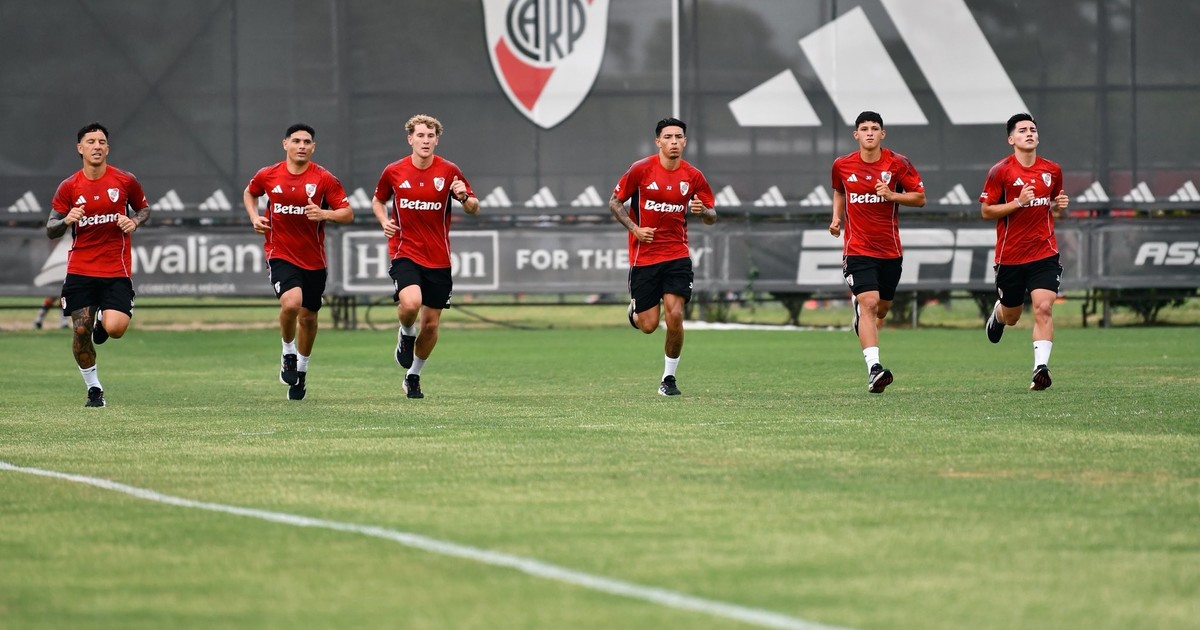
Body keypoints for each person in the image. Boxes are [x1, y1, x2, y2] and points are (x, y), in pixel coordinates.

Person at [371, 114, 479, 399]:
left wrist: (464, 197)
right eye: (420, 135)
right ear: (410, 139)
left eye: (430, 136)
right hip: (404, 250)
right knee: (411, 303)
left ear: (436, 140)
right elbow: (378, 200)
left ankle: (413, 376)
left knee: (430, 325)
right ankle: (406, 332)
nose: (425, 140)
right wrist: (383, 220)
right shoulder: (394, 171)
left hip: (439, 258)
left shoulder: (449, 171)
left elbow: (474, 208)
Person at [243, 123, 352, 401]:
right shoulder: (268, 174)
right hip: (279, 252)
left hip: (314, 260)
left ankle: (301, 370)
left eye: (306, 142)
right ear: (285, 144)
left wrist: (325, 214)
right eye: (296, 141)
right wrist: (254, 217)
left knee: (309, 317)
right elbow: (250, 192)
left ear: (313, 147)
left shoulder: (324, 178)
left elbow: (347, 213)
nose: (301, 146)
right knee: (291, 303)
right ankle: (288, 351)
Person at [609, 117, 717, 396]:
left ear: (685, 141)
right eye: (668, 137)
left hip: (677, 255)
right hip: (644, 258)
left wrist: (703, 211)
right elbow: (615, 202)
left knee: (676, 315)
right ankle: (635, 312)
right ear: (658, 141)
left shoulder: (693, 176)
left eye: (678, 137)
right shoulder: (640, 169)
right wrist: (635, 228)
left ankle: (669, 379)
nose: (673, 142)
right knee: (648, 326)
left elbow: (712, 215)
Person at [46, 122, 151, 408]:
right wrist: (67, 220)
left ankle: (105, 319)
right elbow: (51, 228)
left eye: (102, 142)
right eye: (91, 142)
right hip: (80, 270)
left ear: (108, 148)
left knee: (115, 329)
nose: (97, 146)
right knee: (81, 330)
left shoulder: (125, 180)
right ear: (80, 148)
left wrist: (134, 221)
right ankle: (94, 388)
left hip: (116, 269)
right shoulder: (69, 186)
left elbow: (144, 209)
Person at [829, 111, 926, 394]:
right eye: (864, 128)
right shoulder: (842, 165)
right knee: (869, 304)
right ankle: (874, 369)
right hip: (857, 249)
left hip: (890, 251)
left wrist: (893, 195)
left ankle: (860, 312)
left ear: (883, 134)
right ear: (856, 135)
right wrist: (836, 218)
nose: (869, 133)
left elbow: (920, 198)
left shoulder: (898, 163)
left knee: (881, 308)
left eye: (874, 128)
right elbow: (839, 191)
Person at [979, 113, 1070, 390]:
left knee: (1043, 307)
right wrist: (1018, 202)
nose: (1029, 133)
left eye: (1032, 129)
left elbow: (1052, 209)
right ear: (1011, 139)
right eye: (1022, 130)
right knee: (1013, 316)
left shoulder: (1052, 170)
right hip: (1010, 257)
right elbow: (986, 211)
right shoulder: (1000, 171)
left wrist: (1059, 208)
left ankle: (1040, 369)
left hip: (1044, 252)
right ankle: (999, 314)